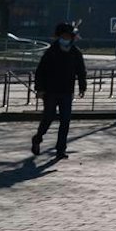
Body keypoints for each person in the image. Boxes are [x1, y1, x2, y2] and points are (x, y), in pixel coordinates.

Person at [32, 23, 87, 159]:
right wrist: (39, 89)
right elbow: (40, 72)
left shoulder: (76, 53)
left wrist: (82, 86)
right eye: (63, 36)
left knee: (65, 121)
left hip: (67, 91)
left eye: (68, 36)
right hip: (51, 91)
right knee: (48, 118)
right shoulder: (51, 52)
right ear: (59, 36)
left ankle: (60, 149)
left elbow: (81, 71)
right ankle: (38, 138)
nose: (66, 38)